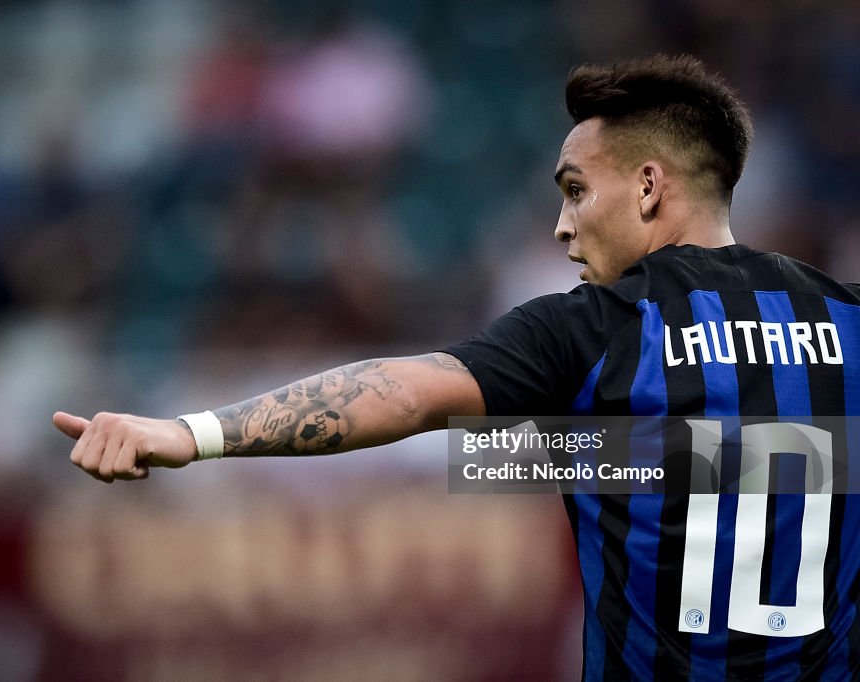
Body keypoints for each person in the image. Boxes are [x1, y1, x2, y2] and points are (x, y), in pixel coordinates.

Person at [54, 54, 860, 679]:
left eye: (577, 190)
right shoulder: (847, 319)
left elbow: (406, 394)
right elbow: (717, 458)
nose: (561, 226)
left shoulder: (597, 328)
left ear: (650, 186)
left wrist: (190, 434)